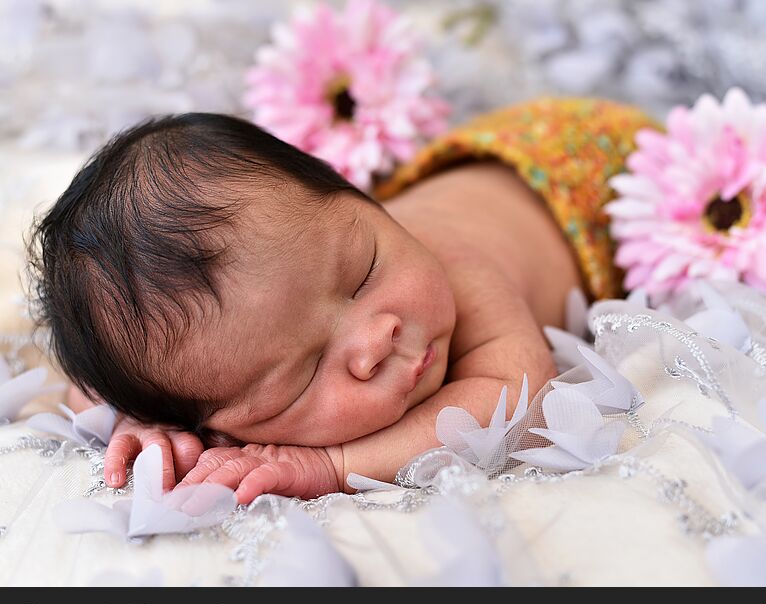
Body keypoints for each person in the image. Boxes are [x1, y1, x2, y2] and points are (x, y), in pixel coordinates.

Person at [30, 97, 656, 504]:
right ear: (216, 424)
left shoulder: (461, 271)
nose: (374, 338)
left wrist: (334, 463)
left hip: (602, 165)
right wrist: (144, 423)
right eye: (301, 377)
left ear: (359, 194)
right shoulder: (220, 337)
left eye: (363, 272)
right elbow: (94, 381)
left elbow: (513, 399)